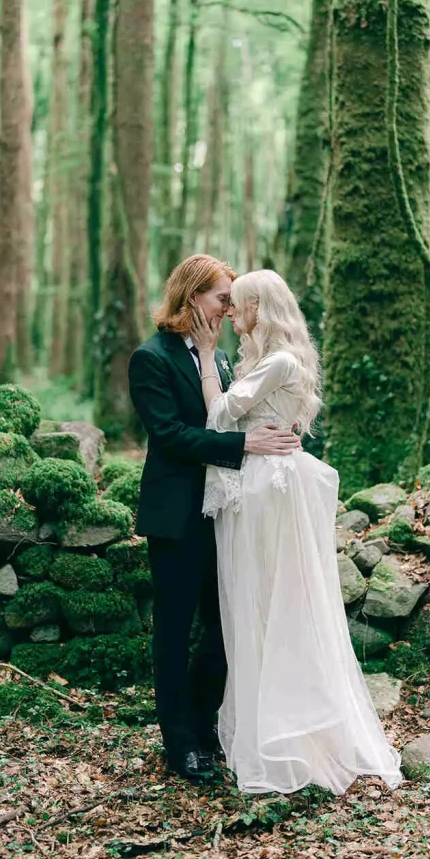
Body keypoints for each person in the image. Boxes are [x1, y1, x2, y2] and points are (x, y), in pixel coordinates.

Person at [190, 268, 402, 795]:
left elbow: (218, 413)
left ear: (261, 307)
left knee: (267, 601)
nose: (233, 316)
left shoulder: (279, 360)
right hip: (258, 484)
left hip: (266, 490)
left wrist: (204, 361)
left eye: (240, 306)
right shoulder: (269, 360)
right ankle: (264, 727)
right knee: (252, 603)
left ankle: (285, 733)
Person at [128, 255, 301, 783]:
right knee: (175, 631)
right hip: (177, 517)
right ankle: (180, 746)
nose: (230, 309)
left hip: (226, 514)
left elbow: (230, 408)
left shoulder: (221, 360)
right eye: (222, 298)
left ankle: (207, 729)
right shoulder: (150, 358)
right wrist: (245, 443)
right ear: (191, 298)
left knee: (227, 628)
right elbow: (172, 437)